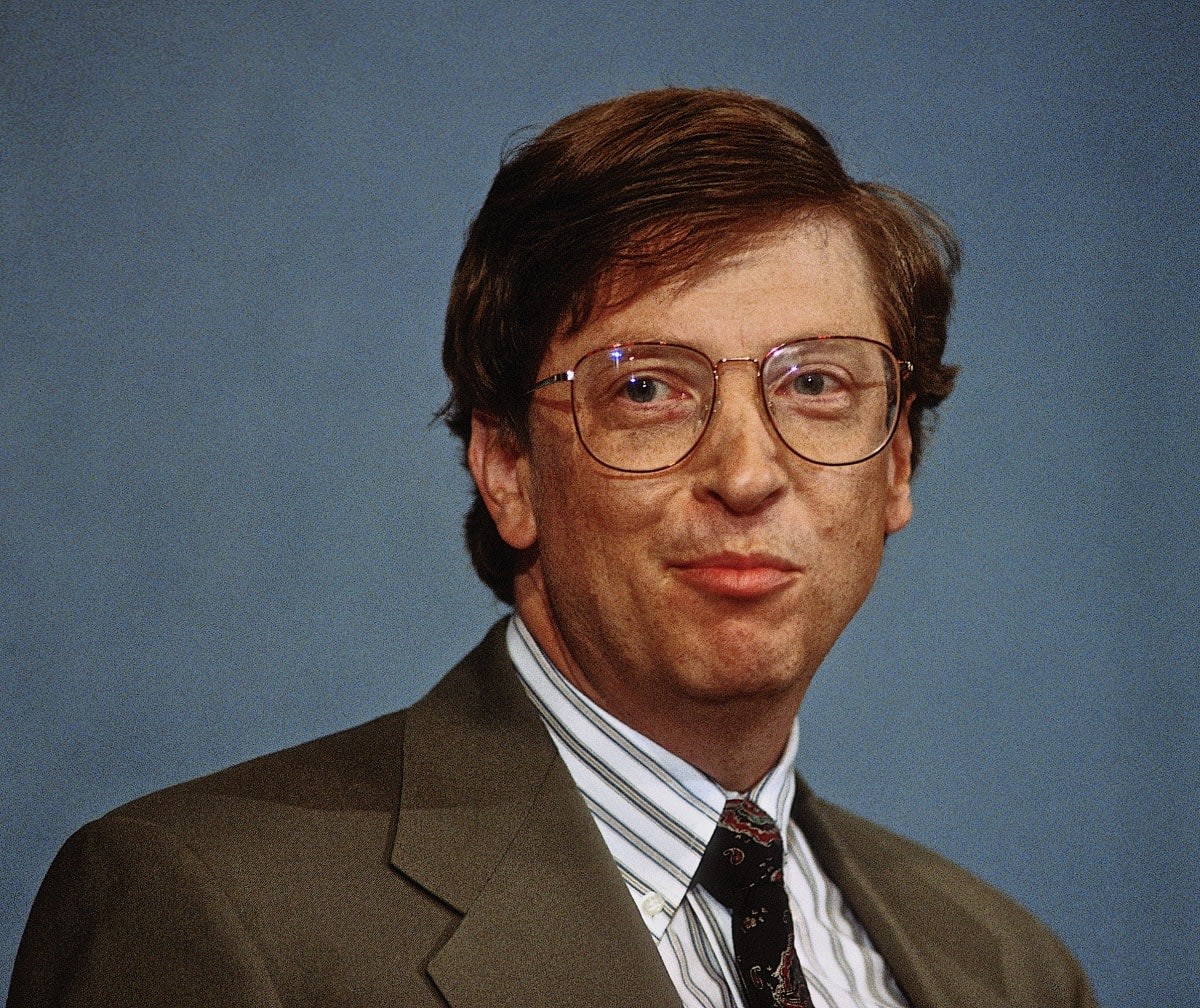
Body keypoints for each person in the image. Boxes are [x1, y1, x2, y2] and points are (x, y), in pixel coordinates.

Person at [9, 88, 1097, 1008]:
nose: (747, 473)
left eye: (816, 384)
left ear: (897, 463)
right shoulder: (204, 912)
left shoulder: (1010, 969)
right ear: (509, 469)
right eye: (648, 390)